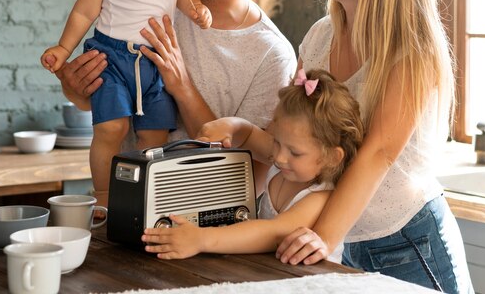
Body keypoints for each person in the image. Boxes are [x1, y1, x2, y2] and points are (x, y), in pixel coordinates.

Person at [275, 0, 473, 293]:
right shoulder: (319, 37)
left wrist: (324, 238)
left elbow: (378, 151)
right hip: (352, 240)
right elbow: (296, 132)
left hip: (412, 244)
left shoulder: (410, 53)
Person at [54, 0, 297, 204]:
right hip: (122, 207)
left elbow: (245, 183)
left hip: (199, 229)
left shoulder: (271, 55)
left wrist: (182, 87)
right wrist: (76, 88)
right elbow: (104, 101)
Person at [40, 0, 212, 209]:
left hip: (155, 59)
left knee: (154, 135)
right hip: (112, 57)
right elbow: (84, 11)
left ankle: (145, 196)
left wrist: (194, 8)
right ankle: (103, 195)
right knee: (111, 129)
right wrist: (63, 47)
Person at [141, 69, 363, 261]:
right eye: (276, 141)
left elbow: (274, 233)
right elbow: (248, 134)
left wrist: (201, 239)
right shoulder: (286, 162)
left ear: (332, 157)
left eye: (294, 152)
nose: (279, 157)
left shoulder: (320, 196)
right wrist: (231, 126)